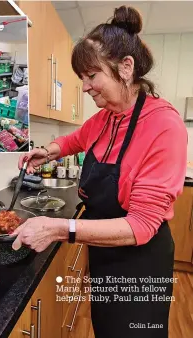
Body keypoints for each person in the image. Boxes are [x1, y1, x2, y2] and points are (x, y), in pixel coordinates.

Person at [14, 6, 187, 338]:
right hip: (105, 252)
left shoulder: (164, 125)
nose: (85, 86)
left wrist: (59, 228)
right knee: (106, 327)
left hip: (140, 261)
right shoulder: (105, 117)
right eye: (82, 78)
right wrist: (47, 151)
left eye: (91, 76)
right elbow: (75, 139)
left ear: (125, 68)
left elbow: (141, 225)